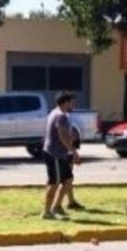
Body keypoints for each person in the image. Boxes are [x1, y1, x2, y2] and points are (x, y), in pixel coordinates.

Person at [42, 91, 81, 219]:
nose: (73, 105)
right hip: (55, 154)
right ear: (65, 103)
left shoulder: (56, 113)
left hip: (59, 154)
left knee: (68, 179)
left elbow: (63, 133)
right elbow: (62, 136)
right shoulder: (60, 116)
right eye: (71, 102)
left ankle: (57, 206)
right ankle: (46, 212)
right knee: (54, 183)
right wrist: (74, 152)